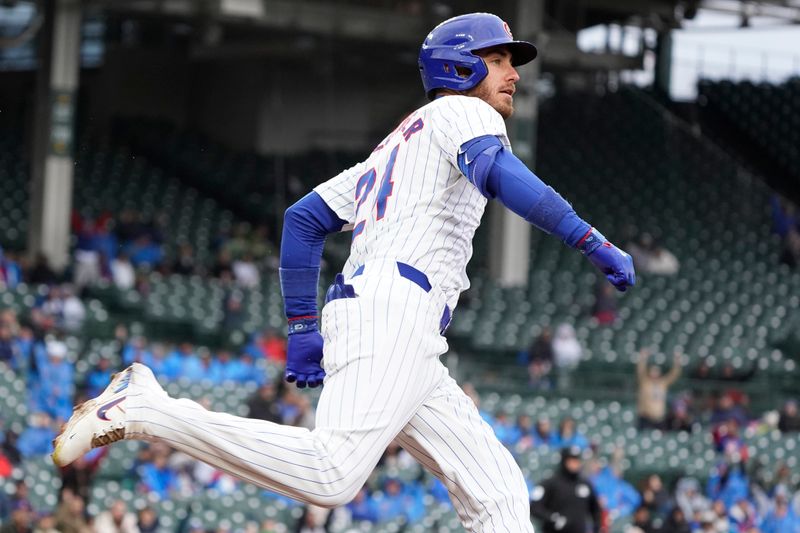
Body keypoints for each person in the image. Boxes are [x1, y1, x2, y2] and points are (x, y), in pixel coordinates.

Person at [53, 13, 635, 532]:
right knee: (331, 476)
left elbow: (303, 219)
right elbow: (503, 176)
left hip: (402, 325)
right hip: (393, 306)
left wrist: (305, 329)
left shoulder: (394, 148)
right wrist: (589, 239)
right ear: (459, 68)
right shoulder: (460, 112)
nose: (513, 73)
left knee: (500, 496)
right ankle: (149, 409)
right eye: (499, 59)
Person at [530, 447, 603, 533]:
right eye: (571, 460)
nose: (574, 464)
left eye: (576, 460)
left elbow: (595, 510)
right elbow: (534, 507)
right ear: (564, 461)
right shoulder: (550, 483)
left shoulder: (585, 484)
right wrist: (552, 518)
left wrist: (596, 528)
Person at [636, 349, 682, 430]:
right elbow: (640, 371)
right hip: (646, 417)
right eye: (653, 372)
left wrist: (677, 361)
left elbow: (674, 374)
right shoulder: (645, 382)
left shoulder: (662, 383)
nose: (654, 375)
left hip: (659, 418)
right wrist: (643, 358)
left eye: (656, 372)